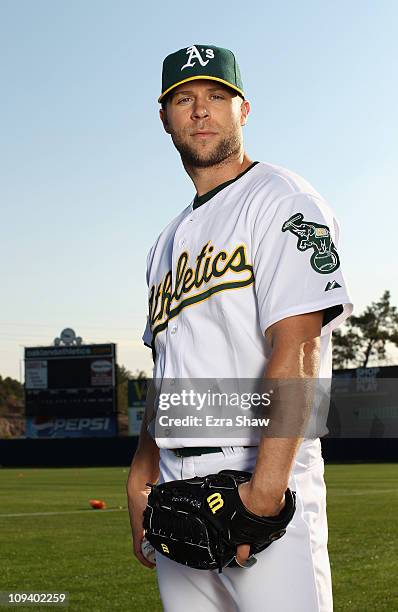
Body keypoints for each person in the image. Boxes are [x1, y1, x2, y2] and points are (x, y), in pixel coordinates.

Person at [127, 44, 353, 612]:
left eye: (216, 95)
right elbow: (168, 370)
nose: (200, 110)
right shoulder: (164, 242)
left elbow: (298, 345)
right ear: (165, 119)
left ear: (243, 109)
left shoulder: (281, 198)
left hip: (257, 469)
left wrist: (265, 493)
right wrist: (142, 471)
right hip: (176, 482)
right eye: (184, 98)